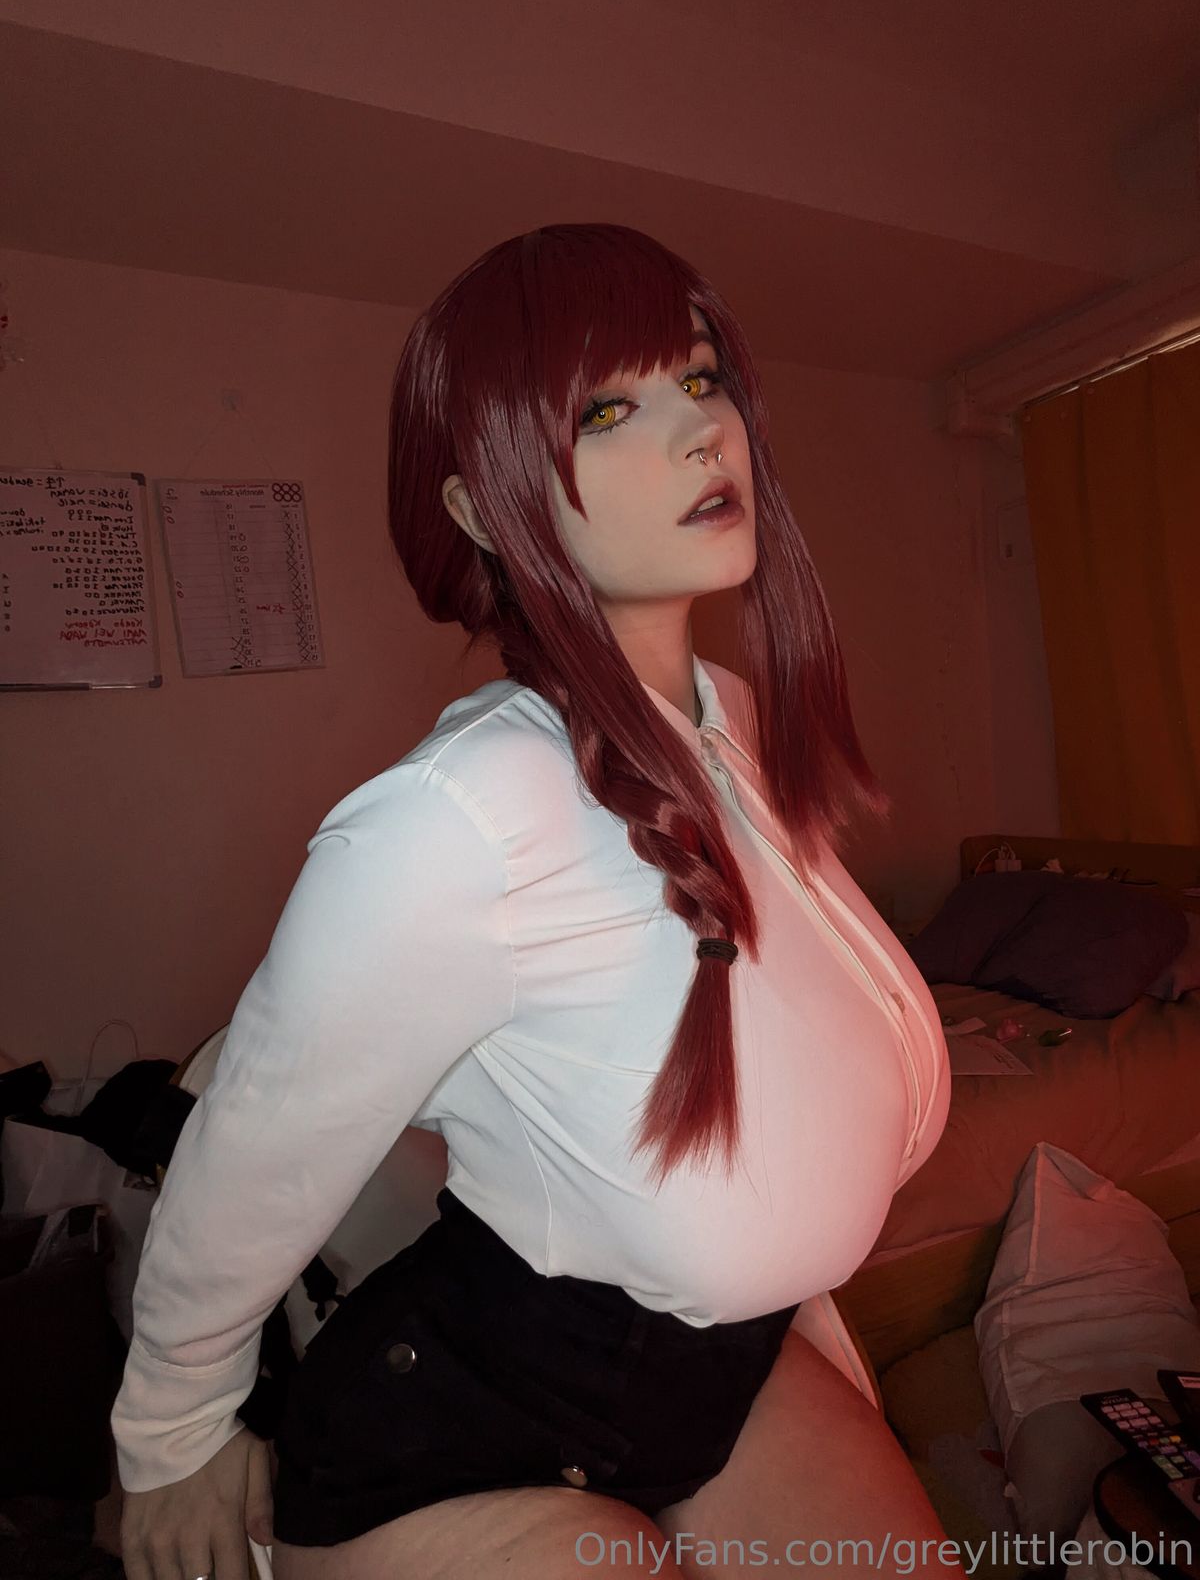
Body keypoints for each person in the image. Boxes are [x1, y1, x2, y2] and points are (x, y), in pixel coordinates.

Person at [113, 223, 957, 1580]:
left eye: (701, 380)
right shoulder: (453, 818)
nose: (701, 433)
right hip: (463, 1422)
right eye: (608, 412)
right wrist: (169, 1432)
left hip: (711, 1366)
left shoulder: (732, 720)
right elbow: (255, 1140)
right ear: (478, 506)